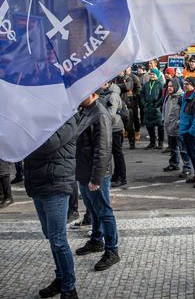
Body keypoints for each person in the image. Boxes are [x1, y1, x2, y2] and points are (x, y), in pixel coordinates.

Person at [24, 116, 80, 299]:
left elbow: (47, 144)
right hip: (39, 183)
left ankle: (69, 288)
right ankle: (61, 277)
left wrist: (25, 137)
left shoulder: (68, 118)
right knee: (50, 235)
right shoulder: (42, 118)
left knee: (58, 239)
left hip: (56, 183)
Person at [74, 92, 120, 271]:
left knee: (104, 211)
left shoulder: (100, 114)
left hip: (95, 173)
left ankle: (112, 250)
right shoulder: (87, 109)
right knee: (93, 210)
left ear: (93, 93)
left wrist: (96, 178)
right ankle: (96, 240)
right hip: (84, 170)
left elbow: (103, 149)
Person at [98, 82, 127, 188]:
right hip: (112, 127)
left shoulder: (113, 95)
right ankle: (117, 175)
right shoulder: (107, 93)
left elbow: (111, 114)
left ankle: (122, 177)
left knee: (118, 153)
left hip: (115, 127)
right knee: (115, 153)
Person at [162, 79, 189, 173]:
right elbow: (164, 109)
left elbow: (185, 113)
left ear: (176, 86)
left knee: (183, 149)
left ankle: (187, 167)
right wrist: (164, 120)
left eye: (171, 86)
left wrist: (179, 123)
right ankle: (174, 163)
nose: (169, 88)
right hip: (170, 127)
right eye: (168, 86)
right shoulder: (168, 97)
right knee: (173, 148)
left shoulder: (181, 97)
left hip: (179, 129)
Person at [141, 68, 164, 150]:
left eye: (153, 74)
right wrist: (144, 103)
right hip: (148, 108)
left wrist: (157, 104)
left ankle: (160, 142)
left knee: (160, 126)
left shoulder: (160, 85)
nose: (152, 76)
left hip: (157, 109)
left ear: (157, 75)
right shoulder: (146, 85)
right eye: (151, 74)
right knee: (149, 126)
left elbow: (162, 96)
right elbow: (142, 94)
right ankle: (152, 142)